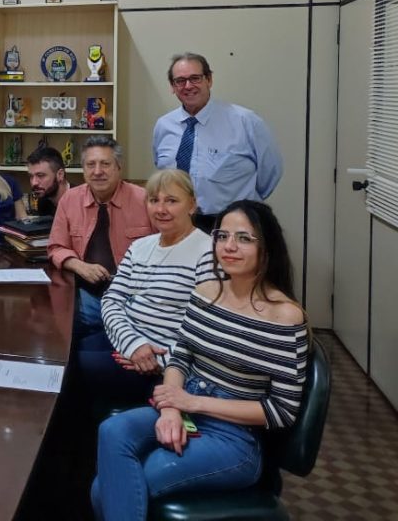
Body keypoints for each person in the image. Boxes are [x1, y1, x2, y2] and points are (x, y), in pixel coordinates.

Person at [91, 200, 308, 520]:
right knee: (111, 431)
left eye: (244, 238)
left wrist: (190, 403)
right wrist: (169, 408)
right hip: (189, 405)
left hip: (236, 438)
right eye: (222, 236)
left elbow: (281, 411)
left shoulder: (285, 316)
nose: (230, 246)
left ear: (268, 247)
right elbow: (181, 355)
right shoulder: (207, 291)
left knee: (112, 487)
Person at [84, 169, 214, 403]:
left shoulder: (207, 252)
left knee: (72, 370)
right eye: (154, 200)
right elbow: (112, 299)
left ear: (192, 205)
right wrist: (133, 344)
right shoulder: (141, 246)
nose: (161, 209)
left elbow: (208, 329)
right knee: (64, 357)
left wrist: (158, 361)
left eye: (172, 201)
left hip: (163, 363)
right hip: (129, 343)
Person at [152, 52, 283, 232]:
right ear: (172, 86)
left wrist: (246, 206)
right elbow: (163, 173)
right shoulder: (163, 126)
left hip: (230, 224)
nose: (188, 86)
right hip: (178, 223)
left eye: (195, 78)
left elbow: (270, 173)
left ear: (209, 80)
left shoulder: (245, 122)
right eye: (180, 81)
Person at [48, 136, 154, 342]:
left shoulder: (144, 200)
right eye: (91, 164)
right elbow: (56, 247)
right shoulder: (70, 200)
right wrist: (79, 266)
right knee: (57, 331)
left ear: (119, 167)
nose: (98, 171)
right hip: (86, 296)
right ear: (83, 169)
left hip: (134, 299)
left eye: (105, 164)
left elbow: (167, 247)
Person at [25, 146, 68, 216]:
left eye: (40, 175)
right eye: (31, 176)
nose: (34, 183)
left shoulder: (80, 201)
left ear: (60, 175)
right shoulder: (43, 200)